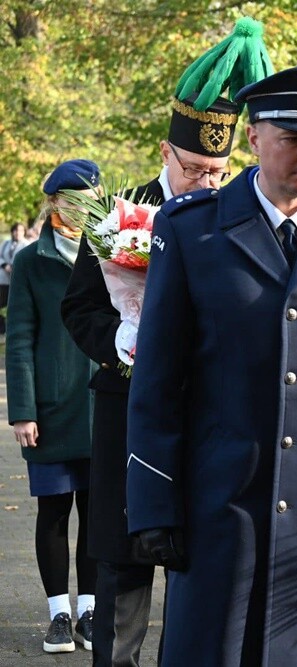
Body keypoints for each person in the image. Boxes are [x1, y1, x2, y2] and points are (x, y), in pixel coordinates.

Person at [123, 63, 297, 666]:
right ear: (253, 139)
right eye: (292, 138)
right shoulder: (192, 231)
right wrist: (153, 503)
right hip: (218, 509)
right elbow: (158, 384)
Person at [60, 19, 271, 666]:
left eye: (220, 169)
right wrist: (118, 337)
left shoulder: (238, 213)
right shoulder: (120, 212)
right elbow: (80, 306)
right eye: (196, 169)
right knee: (123, 580)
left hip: (207, 424)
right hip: (127, 417)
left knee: (198, 589)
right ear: (165, 152)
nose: (208, 182)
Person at [6, 159, 101, 653]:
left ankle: (88, 610)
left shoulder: (112, 250)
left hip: (100, 403)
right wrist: (22, 410)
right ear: (54, 204)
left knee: (96, 510)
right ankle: (58, 615)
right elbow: (19, 338)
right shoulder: (30, 260)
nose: (83, 211)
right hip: (49, 407)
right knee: (54, 511)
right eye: (74, 202)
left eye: (91, 201)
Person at [0, 222, 28, 334]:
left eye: (21, 230)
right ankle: (1, 328)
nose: (18, 233)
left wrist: (14, 267)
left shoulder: (27, 244)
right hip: (3, 279)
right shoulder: (6, 243)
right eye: (16, 230)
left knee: (14, 306)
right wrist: (4, 265)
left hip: (16, 280)